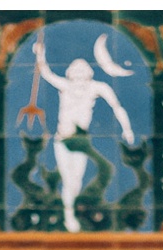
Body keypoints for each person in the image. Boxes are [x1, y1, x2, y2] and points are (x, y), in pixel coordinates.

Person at [34, 38, 135, 232]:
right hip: (62, 140)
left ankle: (72, 212)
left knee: (77, 179)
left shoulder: (97, 88)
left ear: (89, 73)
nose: (79, 73)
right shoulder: (64, 85)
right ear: (70, 73)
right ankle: (69, 216)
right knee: (68, 178)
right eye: (76, 70)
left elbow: (116, 106)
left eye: (83, 70)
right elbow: (46, 72)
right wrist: (40, 54)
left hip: (81, 142)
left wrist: (127, 128)